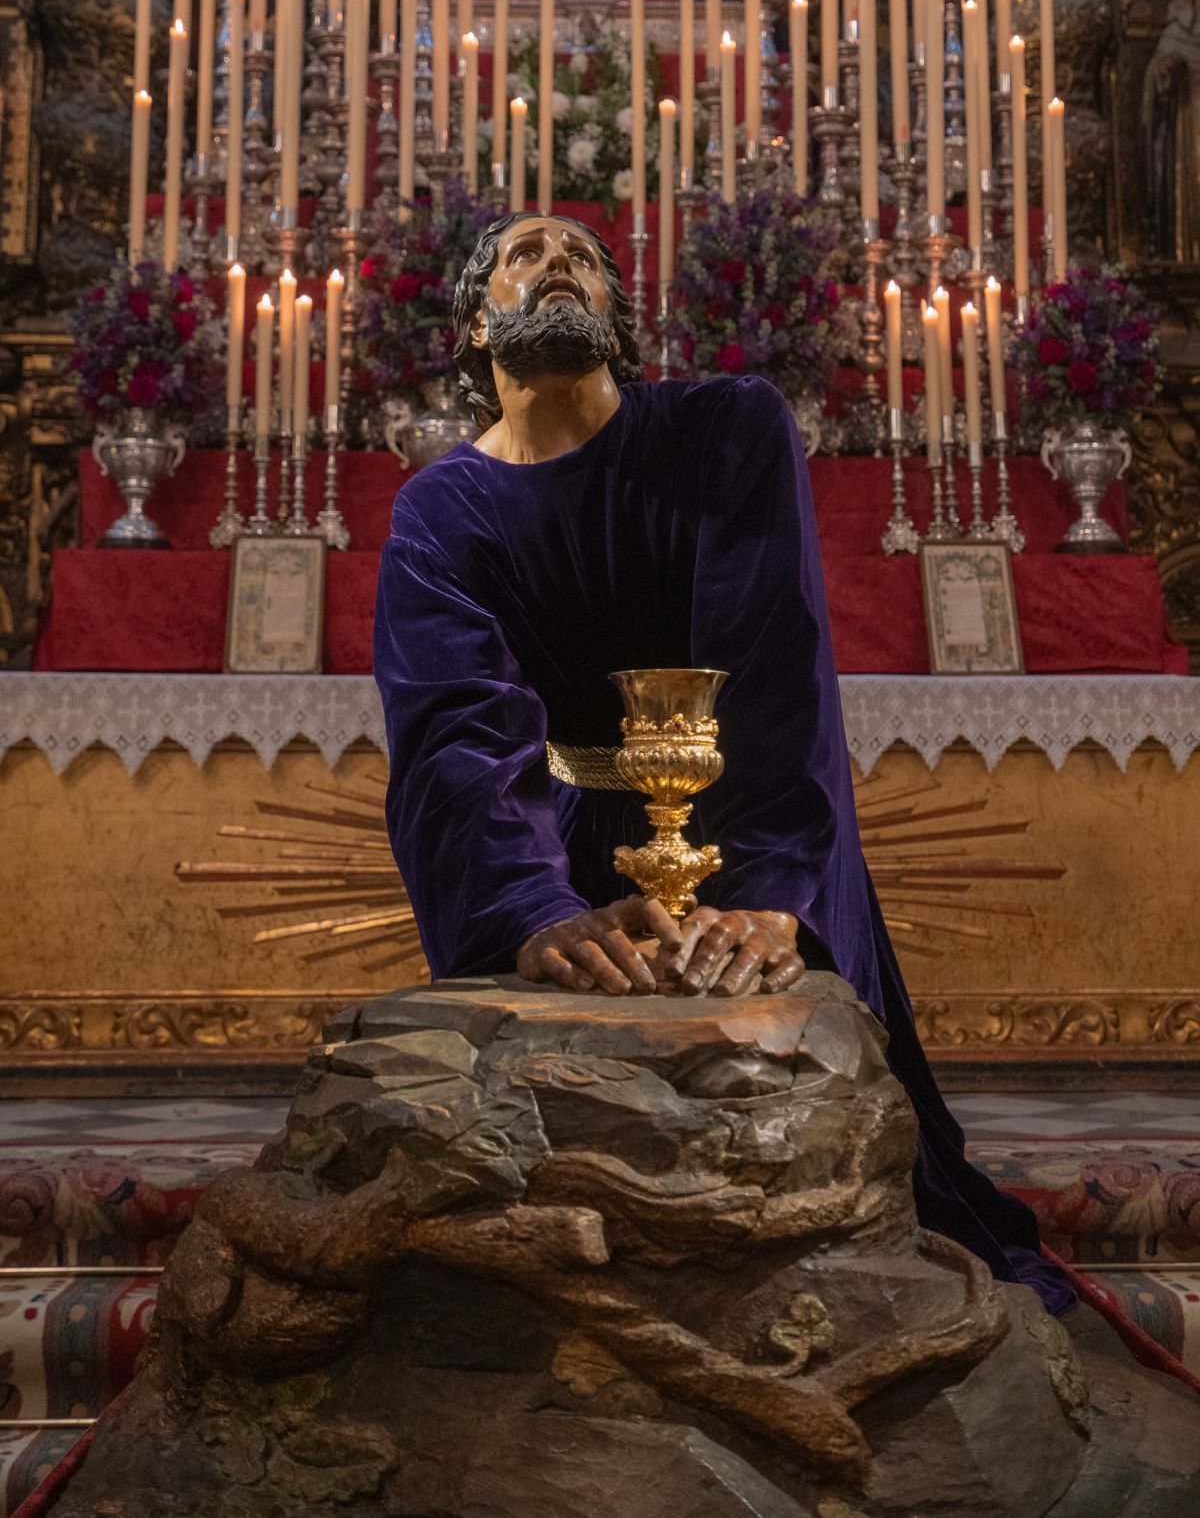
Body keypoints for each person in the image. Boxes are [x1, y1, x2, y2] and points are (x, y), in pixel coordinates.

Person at [374, 211, 1074, 1317]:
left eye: (585, 258)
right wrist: (528, 914)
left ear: (620, 323)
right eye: (526, 254)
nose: (559, 264)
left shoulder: (724, 429)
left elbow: (773, 665)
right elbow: (456, 731)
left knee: (791, 1130)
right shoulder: (439, 509)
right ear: (473, 326)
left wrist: (769, 896)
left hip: (750, 829)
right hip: (566, 864)